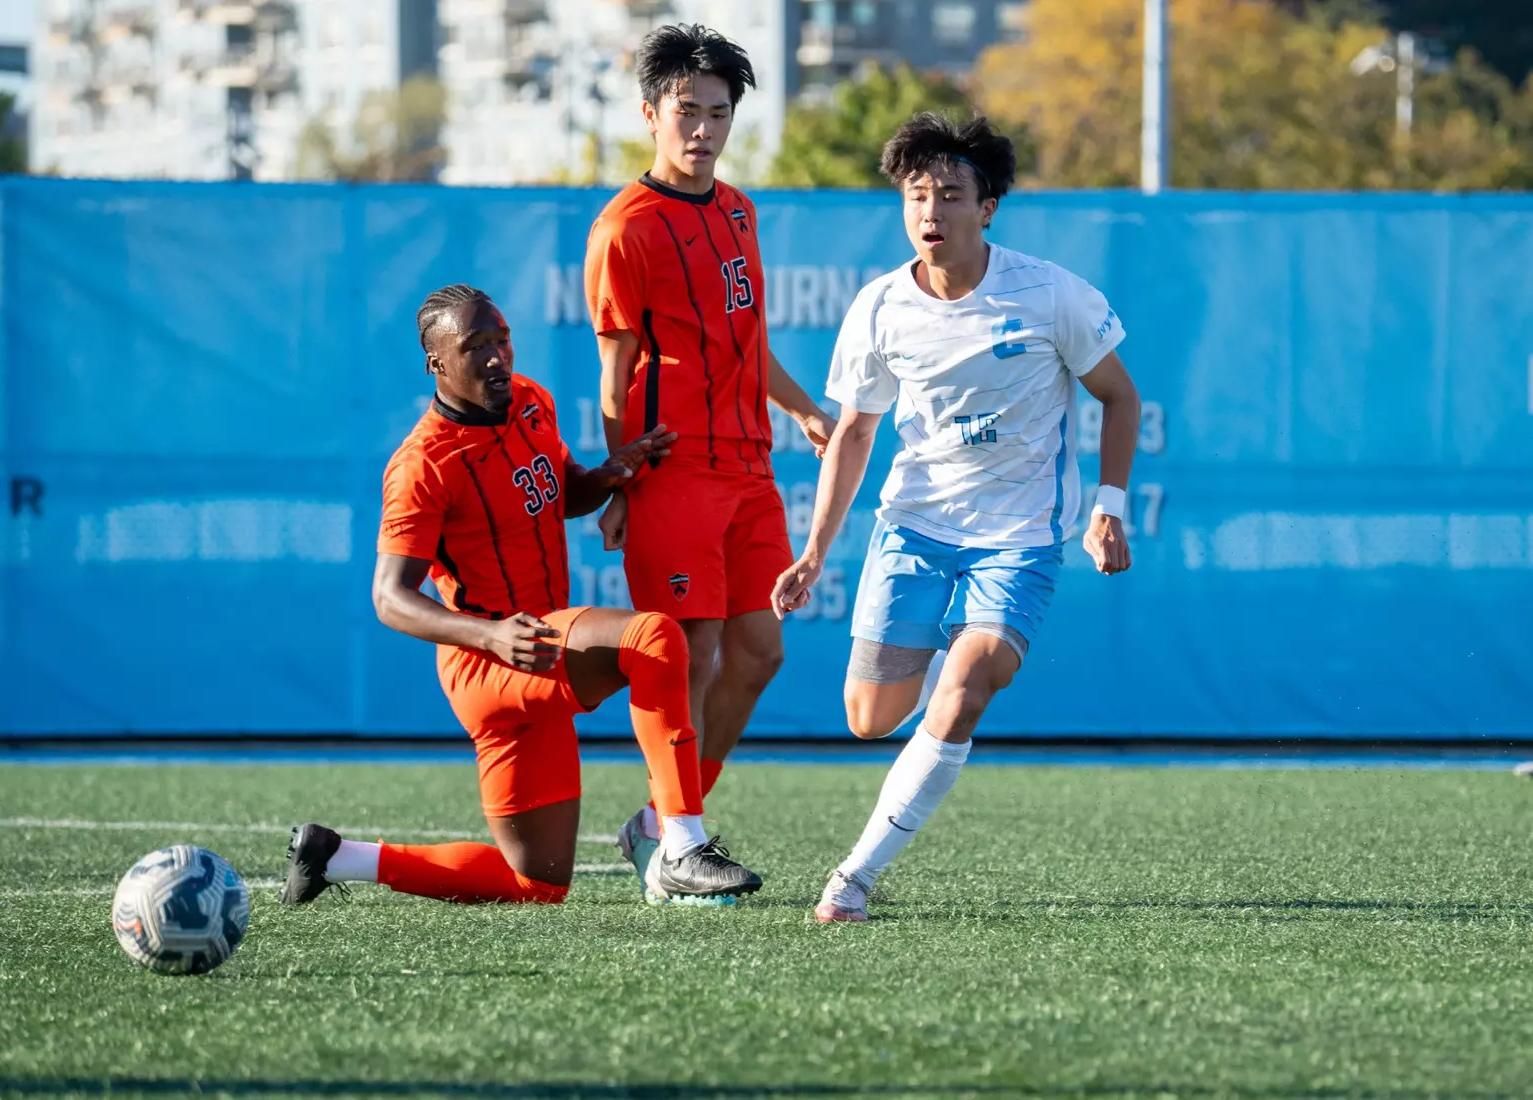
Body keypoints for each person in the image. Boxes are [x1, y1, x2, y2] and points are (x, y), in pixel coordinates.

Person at [280, 284, 763, 908]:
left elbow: (561, 493)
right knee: (655, 637)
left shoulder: (531, 400)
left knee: (537, 886)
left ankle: (339, 856)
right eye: (474, 346)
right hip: (487, 658)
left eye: (501, 339)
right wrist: (489, 635)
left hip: (538, 648)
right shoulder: (421, 464)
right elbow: (389, 598)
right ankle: (681, 845)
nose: (495, 357)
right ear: (437, 364)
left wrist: (608, 476)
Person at [770, 113, 1142, 923]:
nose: (930, 210)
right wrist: (814, 552)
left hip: (1017, 540)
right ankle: (949, 680)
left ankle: (854, 879)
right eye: (916, 195)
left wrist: (1110, 506)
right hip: (914, 530)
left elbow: (1120, 397)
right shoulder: (878, 308)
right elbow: (855, 432)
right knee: (869, 721)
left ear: (988, 208)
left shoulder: (1050, 294)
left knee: (967, 686)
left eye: (949, 194)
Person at [583, 23, 836, 891]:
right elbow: (614, 379)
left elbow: (745, 343)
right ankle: (683, 847)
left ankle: (662, 823)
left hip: (750, 467)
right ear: (651, 112)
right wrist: (620, 482)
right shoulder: (625, 228)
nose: (701, 128)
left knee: (760, 651)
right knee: (686, 653)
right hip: (673, 471)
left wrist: (805, 410)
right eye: (686, 111)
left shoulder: (739, 212)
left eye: (718, 113)